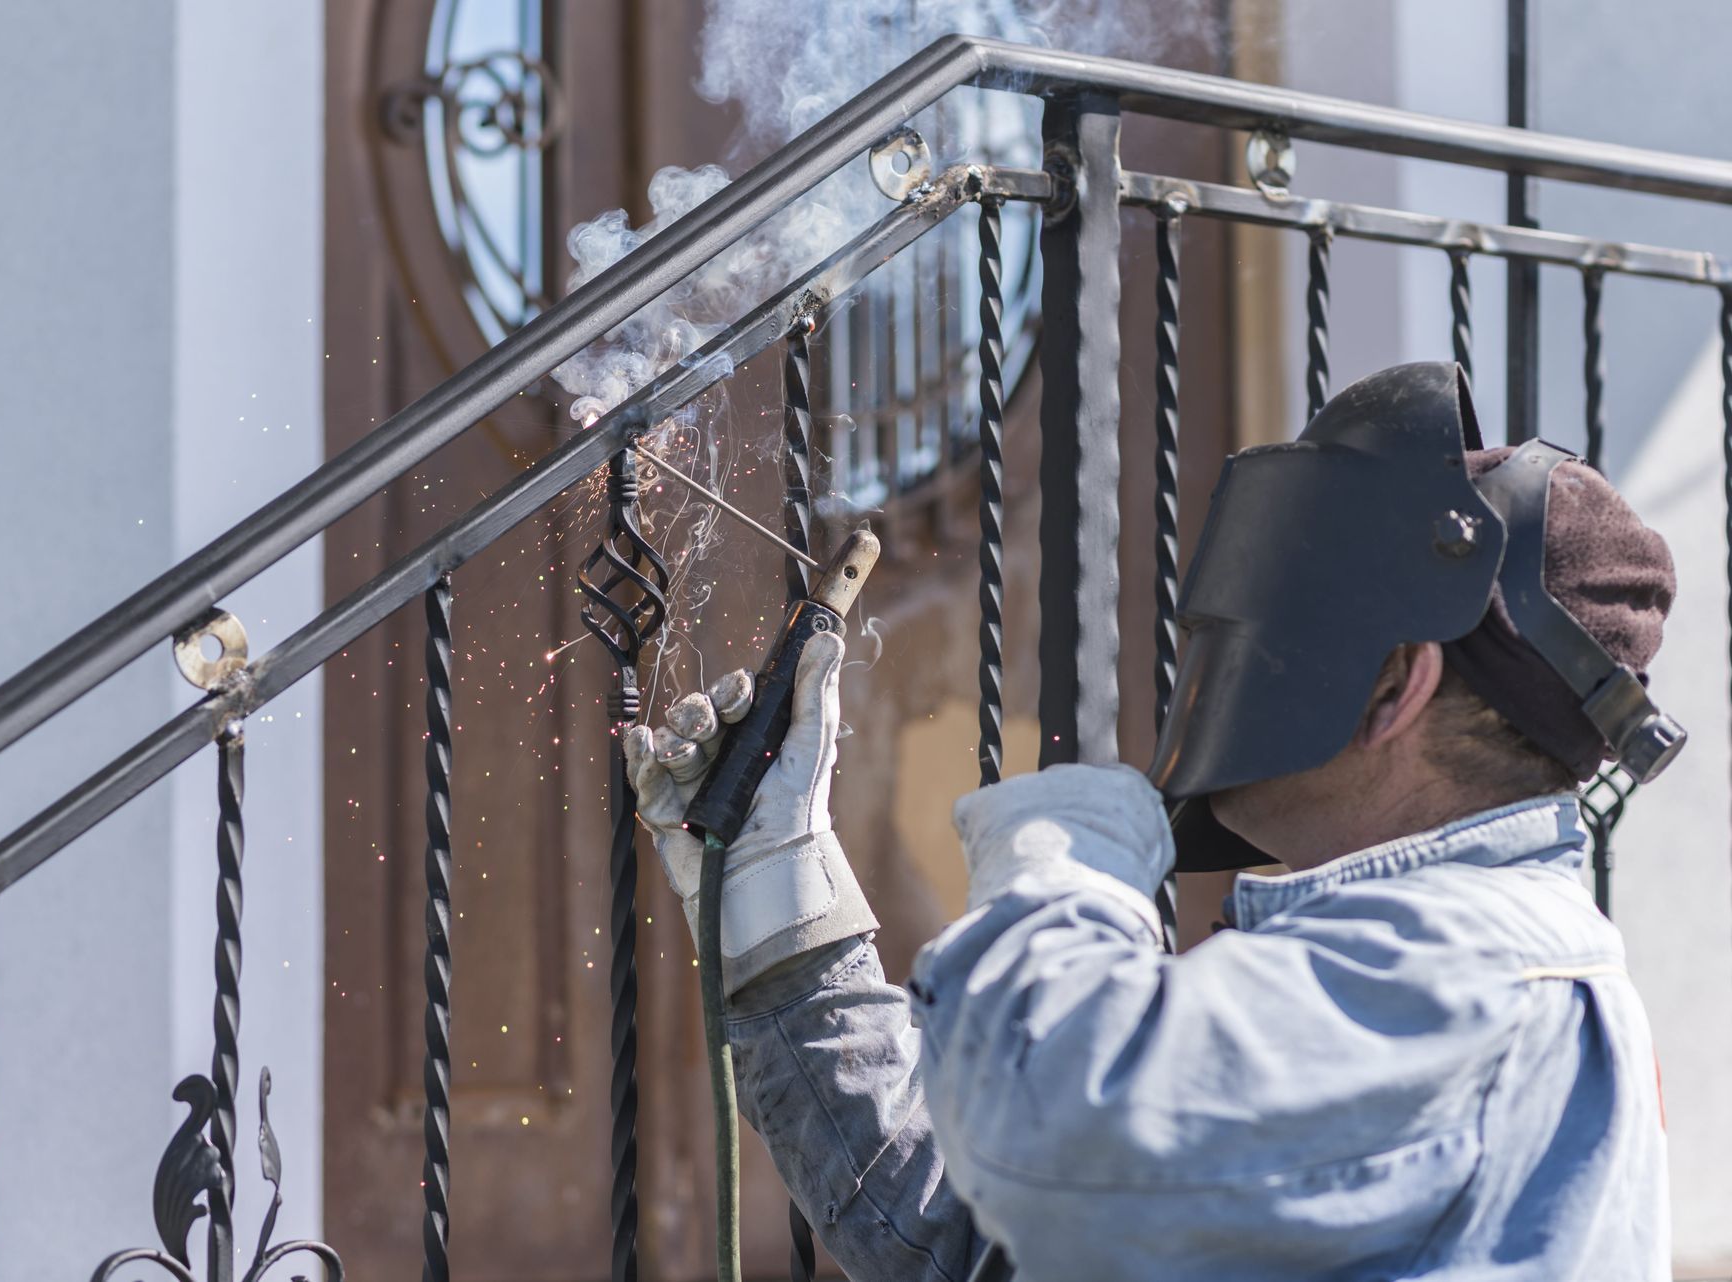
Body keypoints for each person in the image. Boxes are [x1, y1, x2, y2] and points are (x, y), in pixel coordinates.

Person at [624, 363, 1683, 1281]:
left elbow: (1053, 1129)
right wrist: (775, 879)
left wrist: (1072, 868)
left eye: (1294, 613)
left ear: (1397, 682)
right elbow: (974, 1247)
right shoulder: (1427, 967)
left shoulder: (1468, 975)